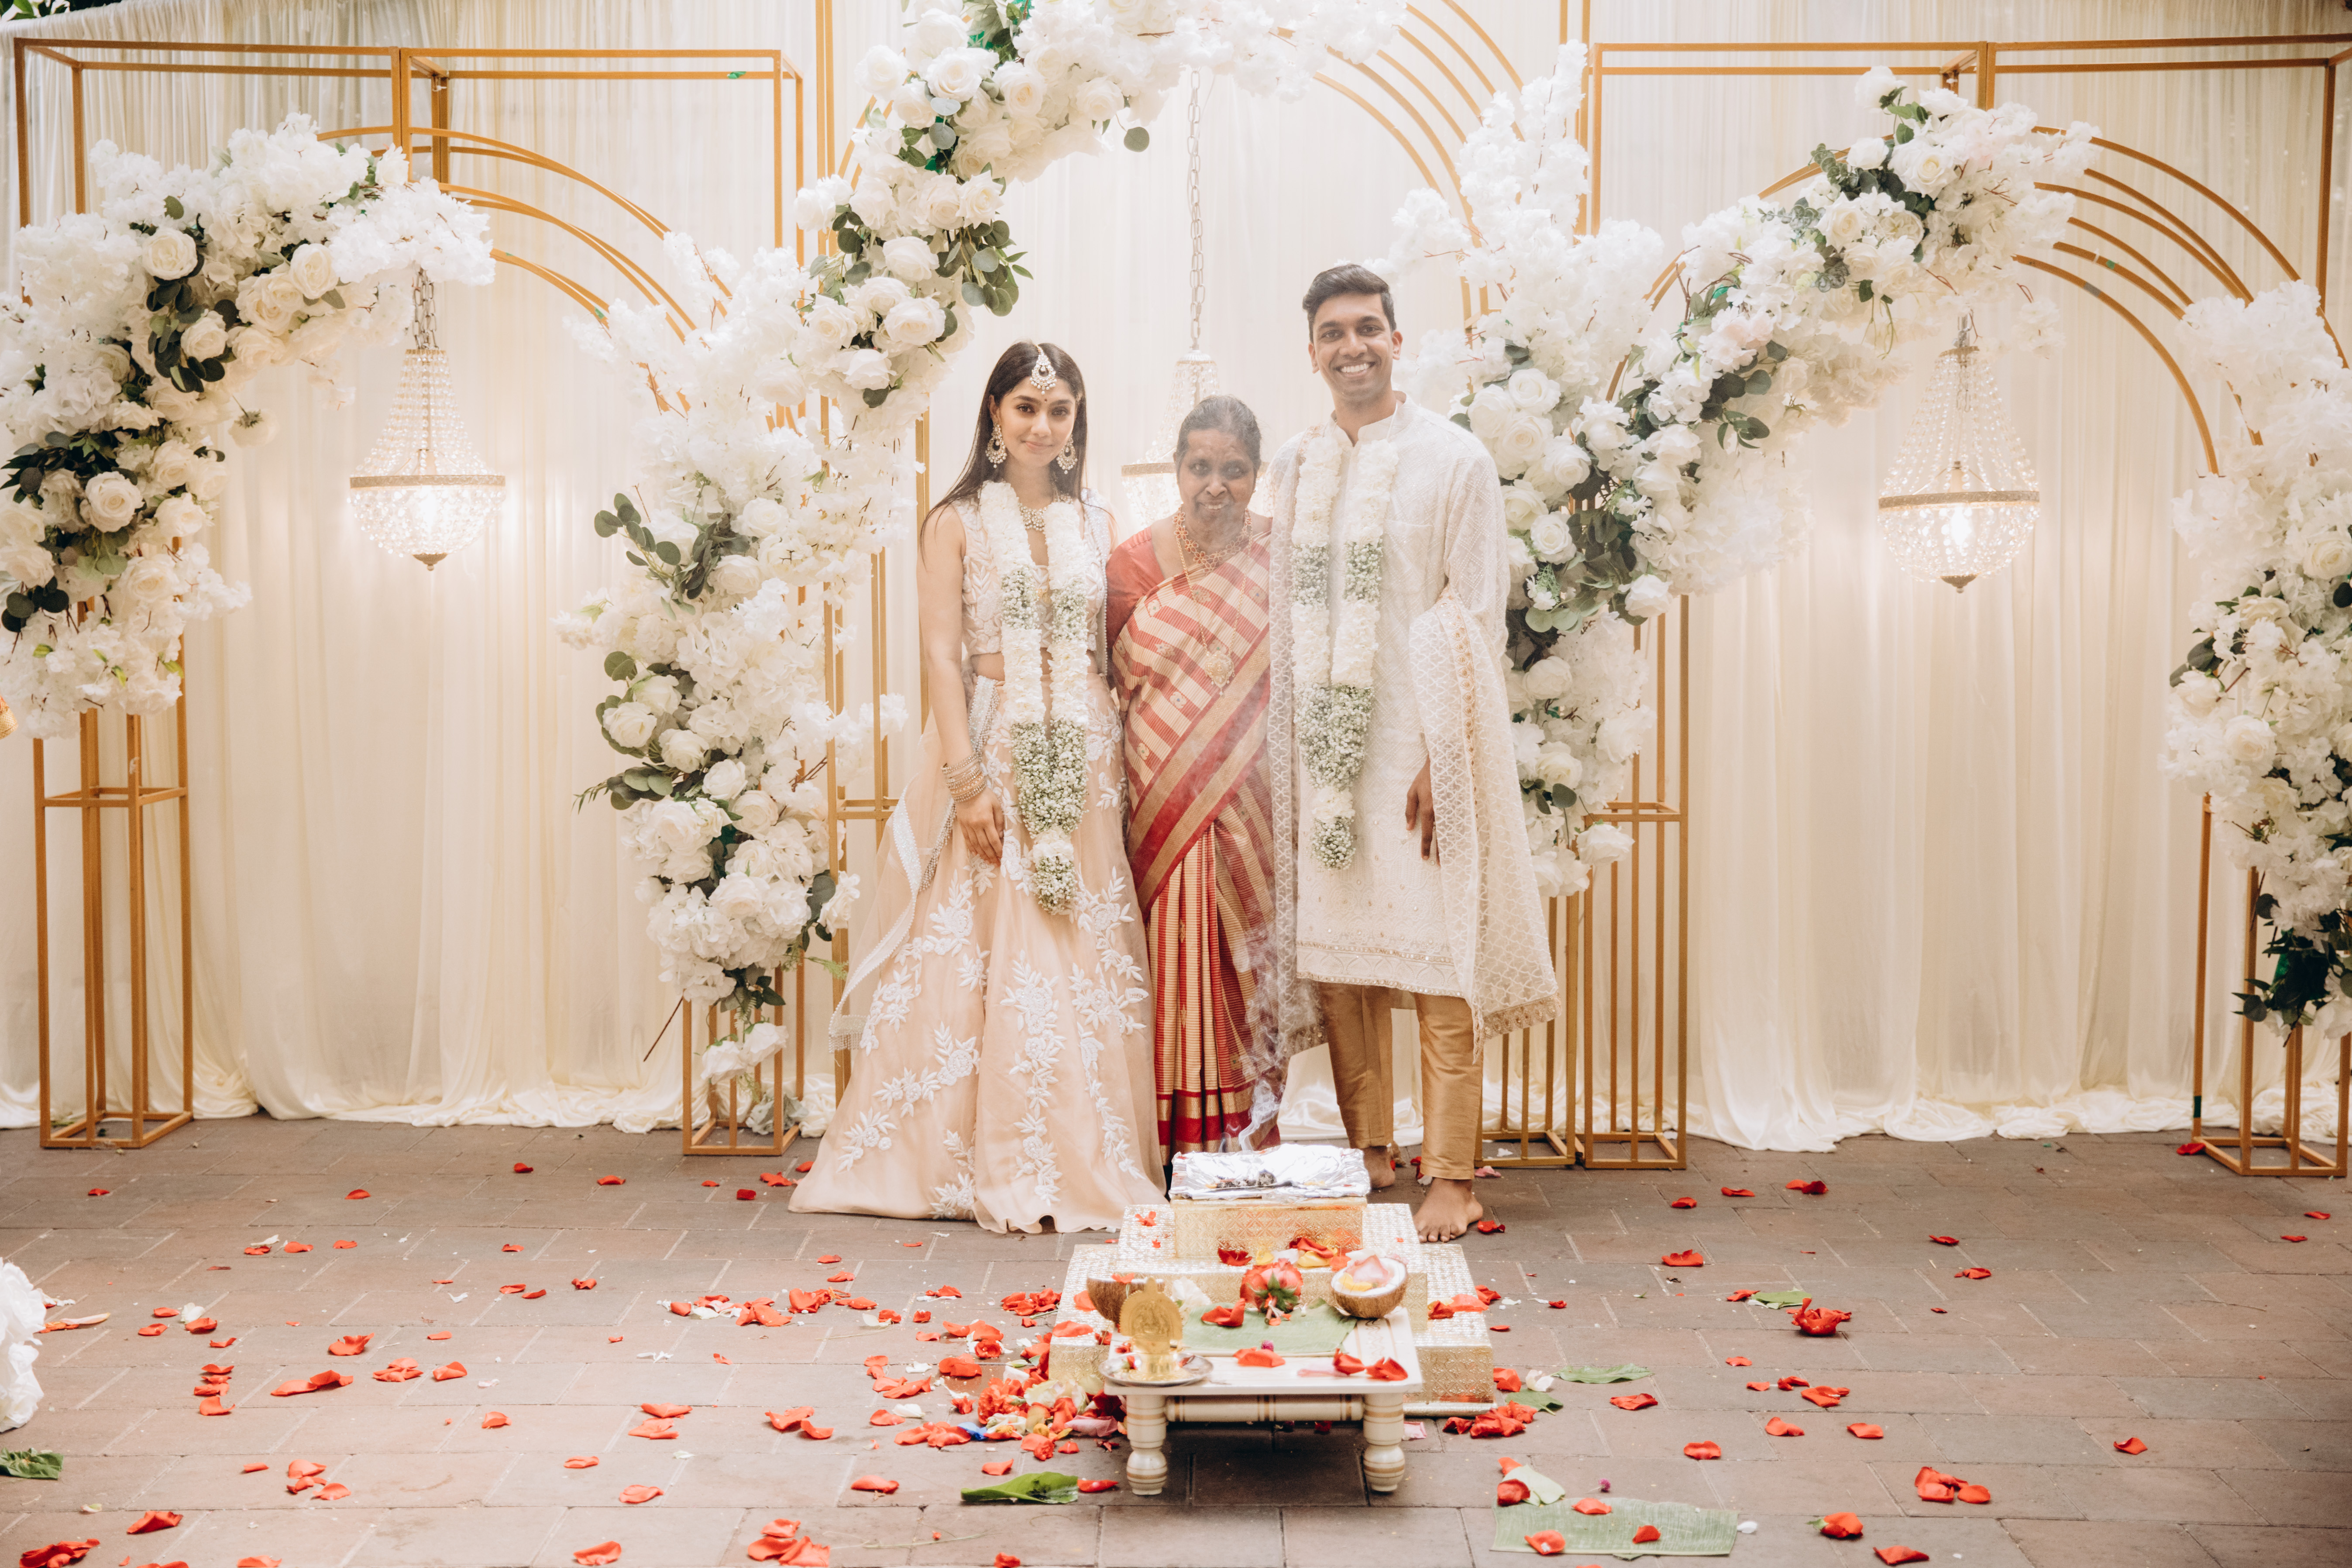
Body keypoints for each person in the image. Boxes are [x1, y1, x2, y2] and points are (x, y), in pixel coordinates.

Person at [794, 341, 1164, 1233]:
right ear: (995, 414)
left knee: (1075, 929)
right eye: (1026, 407)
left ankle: (1078, 1146)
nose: (1043, 425)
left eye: (1060, 409)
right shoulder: (955, 521)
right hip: (995, 737)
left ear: (1077, 420)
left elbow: (1112, 644)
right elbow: (939, 656)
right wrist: (965, 781)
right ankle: (970, 1152)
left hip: (1084, 746)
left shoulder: (1097, 518)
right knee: (988, 931)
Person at [1264, 264, 1557, 1241]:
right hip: (1327, 749)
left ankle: (1455, 1177)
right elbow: (1286, 614)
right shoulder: (1295, 466)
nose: (1352, 346)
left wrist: (1445, 754)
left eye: (1368, 328)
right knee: (1344, 966)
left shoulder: (1454, 458)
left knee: (1439, 964)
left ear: (1398, 341)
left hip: (1421, 743)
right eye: (1334, 332)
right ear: (1313, 352)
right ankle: (1367, 1151)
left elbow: (1474, 611)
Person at [1106, 396, 1285, 1155]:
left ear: (1257, 474)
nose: (1216, 485)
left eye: (1234, 470)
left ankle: (1248, 1128)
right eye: (1200, 467)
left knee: (1247, 953)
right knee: (1169, 951)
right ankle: (1170, 1135)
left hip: (1253, 790)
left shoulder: (1283, 553)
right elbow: (1104, 681)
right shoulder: (1131, 564)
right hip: (1160, 785)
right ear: (1177, 469)